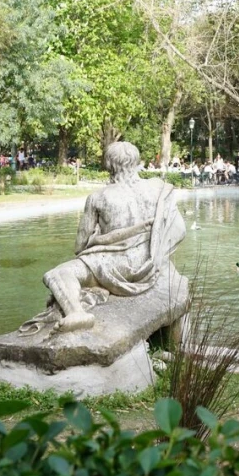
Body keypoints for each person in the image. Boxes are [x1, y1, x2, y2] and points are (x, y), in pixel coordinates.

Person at [39, 141, 186, 333]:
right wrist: (156, 255)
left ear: (109, 164)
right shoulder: (158, 188)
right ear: (137, 162)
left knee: (58, 274)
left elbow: (79, 246)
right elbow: (179, 230)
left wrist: (99, 239)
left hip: (112, 265)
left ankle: (76, 313)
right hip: (148, 263)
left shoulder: (99, 197)